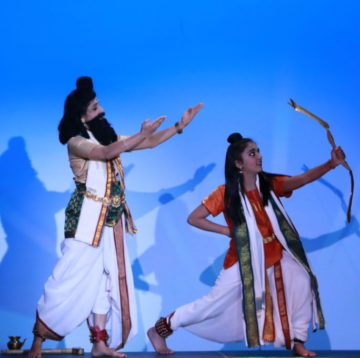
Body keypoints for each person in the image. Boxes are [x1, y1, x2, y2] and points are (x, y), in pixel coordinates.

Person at [28, 76, 203, 358]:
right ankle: (37, 340)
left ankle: (99, 344)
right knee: (65, 279)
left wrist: (180, 126)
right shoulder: (76, 142)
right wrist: (140, 133)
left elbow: (149, 143)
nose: (102, 109)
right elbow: (107, 153)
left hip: (110, 220)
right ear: (82, 115)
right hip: (86, 218)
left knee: (104, 283)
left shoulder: (104, 136)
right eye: (96, 106)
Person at [148, 132, 346, 357]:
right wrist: (226, 230)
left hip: (277, 256)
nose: (259, 156)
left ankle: (297, 341)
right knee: (209, 305)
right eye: (253, 153)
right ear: (238, 163)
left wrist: (331, 164)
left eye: (258, 151)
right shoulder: (225, 193)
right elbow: (194, 218)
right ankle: (160, 329)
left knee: (302, 281)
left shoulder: (269, 185)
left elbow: (299, 180)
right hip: (243, 261)